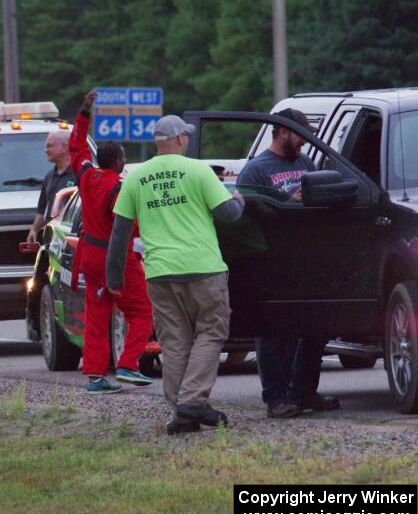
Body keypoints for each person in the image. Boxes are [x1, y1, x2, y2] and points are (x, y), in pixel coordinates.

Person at [106, 115, 245, 434]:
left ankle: (180, 411)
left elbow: (120, 233)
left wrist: (115, 278)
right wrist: (239, 199)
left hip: (160, 272)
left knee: (174, 340)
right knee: (210, 331)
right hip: (203, 267)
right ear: (181, 139)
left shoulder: (136, 179)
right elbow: (229, 216)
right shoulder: (198, 171)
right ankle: (193, 401)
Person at [237, 108, 340, 419]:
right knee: (273, 330)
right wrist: (285, 203)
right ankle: (277, 398)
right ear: (282, 131)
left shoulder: (304, 163)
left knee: (314, 326)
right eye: (300, 134)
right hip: (272, 259)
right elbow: (246, 215)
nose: (304, 142)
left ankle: (303, 392)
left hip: (307, 260)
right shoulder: (256, 170)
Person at [69, 91, 154, 394]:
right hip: (114, 258)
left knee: (97, 315)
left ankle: (95, 377)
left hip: (89, 256)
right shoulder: (119, 187)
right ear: (119, 161)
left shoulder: (86, 176)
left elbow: (76, 146)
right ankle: (129, 364)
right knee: (143, 310)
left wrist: (84, 112)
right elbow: (126, 226)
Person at [26, 130, 75, 243]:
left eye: (50, 146)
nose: (46, 150)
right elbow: (42, 209)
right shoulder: (49, 177)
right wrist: (34, 229)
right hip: (53, 239)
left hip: (71, 237)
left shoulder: (80, 174)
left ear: (64, 147)